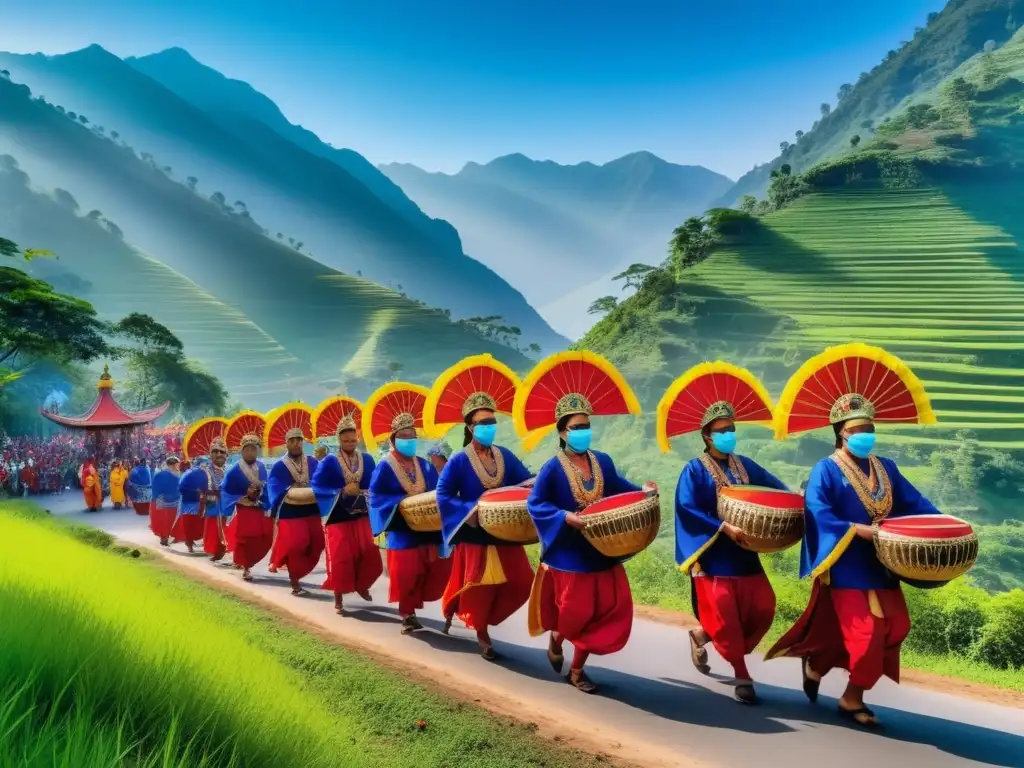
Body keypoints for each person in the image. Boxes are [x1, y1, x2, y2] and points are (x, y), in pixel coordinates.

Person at [766, 344, 941, 728]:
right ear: (841, 434)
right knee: (865, 635)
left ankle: (818, 663)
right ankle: (851, 699)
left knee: (897, 628)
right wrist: (856, 530)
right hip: (845, 565)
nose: (866, 435)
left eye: (870, 429)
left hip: (881, 564)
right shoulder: (826, 470)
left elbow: (915, 502)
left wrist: (942, 524)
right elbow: (818, 513)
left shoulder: (886, 466)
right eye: (859, 430)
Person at [517, 351, 653, 694]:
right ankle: (559, 636)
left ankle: (576, 669)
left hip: (601, 551)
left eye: (587, 426)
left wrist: (644, 491)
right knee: (576, 614)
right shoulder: (551, 467)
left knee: (609, 607)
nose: (584, 432)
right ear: (563, 433)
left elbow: (619, 488)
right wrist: (565, 517)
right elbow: (537, 503)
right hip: (568, 555)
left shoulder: (601, 461)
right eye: (577, 427)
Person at [662, 362, 786, 704]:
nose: (728, 434)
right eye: (721, 430)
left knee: (763, 606)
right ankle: (742, 676)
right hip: (713, 554)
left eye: (731, 428)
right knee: (726, 619)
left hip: (744, 552)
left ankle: (701, 636)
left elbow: (774, 487)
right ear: (707, 436)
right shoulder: (695, 469)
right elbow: (687, 508)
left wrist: (797, 499)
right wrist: (723, 526)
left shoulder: (745, 465)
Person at [437, 392, 534, 660]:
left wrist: (538, 483)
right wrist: (468, 511)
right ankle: (481, 632)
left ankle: (464, 609)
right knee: (479, 585)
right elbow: (443, 495)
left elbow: (524, 481)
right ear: (470, 427)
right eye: (482, 422)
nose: (488, 426)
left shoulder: (504, 456)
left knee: (523, 580)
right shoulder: (458, 460)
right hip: (475, 533)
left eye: (492, 421)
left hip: (504, 531)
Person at [367, 389, 452, 634]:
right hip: (401, 526)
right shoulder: (385, 466)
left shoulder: (424, 464)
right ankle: (407, 613)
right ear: (393, 440)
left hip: (425, 528)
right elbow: (376, 496)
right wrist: (402, 502)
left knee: (427, 569)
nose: (409, 440)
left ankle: (414, 608)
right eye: (404, 436)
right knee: (406, 572)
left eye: (412, 436)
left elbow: (436, 490)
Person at [312, 415, 380, 614]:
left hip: (360, 514)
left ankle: (362, 584)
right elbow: (317, 487)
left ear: (357, 438)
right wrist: (341, 491)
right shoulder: (329, 462)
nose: (349, 443)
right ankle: (338, 596)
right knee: (341, 557)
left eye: (352, 440)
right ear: (339, 440)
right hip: (337, 515)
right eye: (345, 440)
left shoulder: (367, 459)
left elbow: (375, 484)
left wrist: (366, 492)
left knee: (368, 552)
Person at [267, 427, 324, 596]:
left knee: (318, 543)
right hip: (290, 510)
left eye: (299, 440)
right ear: (287, 444)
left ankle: (298, 571)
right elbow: (274, 486)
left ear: (303, 442)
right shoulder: (279, 466)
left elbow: (322, 481)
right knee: (296, 544)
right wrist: (289, 488)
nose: (296, 443)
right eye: (292, 440)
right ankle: (295, 579)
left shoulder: (313, 462)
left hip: (311, 508)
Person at [220, 434, 272, 581]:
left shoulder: (261, 467)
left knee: (266, 536)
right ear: (241, 452)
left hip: (259, 507)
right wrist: (243, 495)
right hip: (244, 508)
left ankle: (250, 561)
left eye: (253, 449)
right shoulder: (234, 470)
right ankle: (246, 566)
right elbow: (225, 489)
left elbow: (267, 486)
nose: (250, 452)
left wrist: (265, 499)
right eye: (247, 450)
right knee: (247, 538)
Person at [200, 438, 230, 562]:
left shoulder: (231, 469)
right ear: (210, 454)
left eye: (222, 452)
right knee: (213, 526)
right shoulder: (204, 469)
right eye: (215, 451)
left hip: (229, 503)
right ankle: (215, 550)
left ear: (226, 455)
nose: (218, 454)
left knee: (227, 525)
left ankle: (225, 548)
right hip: (212, 502)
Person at [175, 457, 209, 553]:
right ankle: (189, 543)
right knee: (191, 523)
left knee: (196, 523)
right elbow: (181, 488)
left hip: (199, 502)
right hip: (190, 503)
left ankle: (191, 542)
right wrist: (197, 492)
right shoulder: (190, 474)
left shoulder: (206, 473)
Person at [150, 457, 182, 546]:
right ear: (174, 464)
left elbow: (154, 488)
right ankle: (166, 536)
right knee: (169, 520)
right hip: (173, 502)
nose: (179, 466)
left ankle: (163, 537)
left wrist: (157, 498)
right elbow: (179, 489)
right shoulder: (177, 476)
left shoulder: (158, 474)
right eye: (178, 464)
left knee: (161, 520)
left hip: (159, 501)